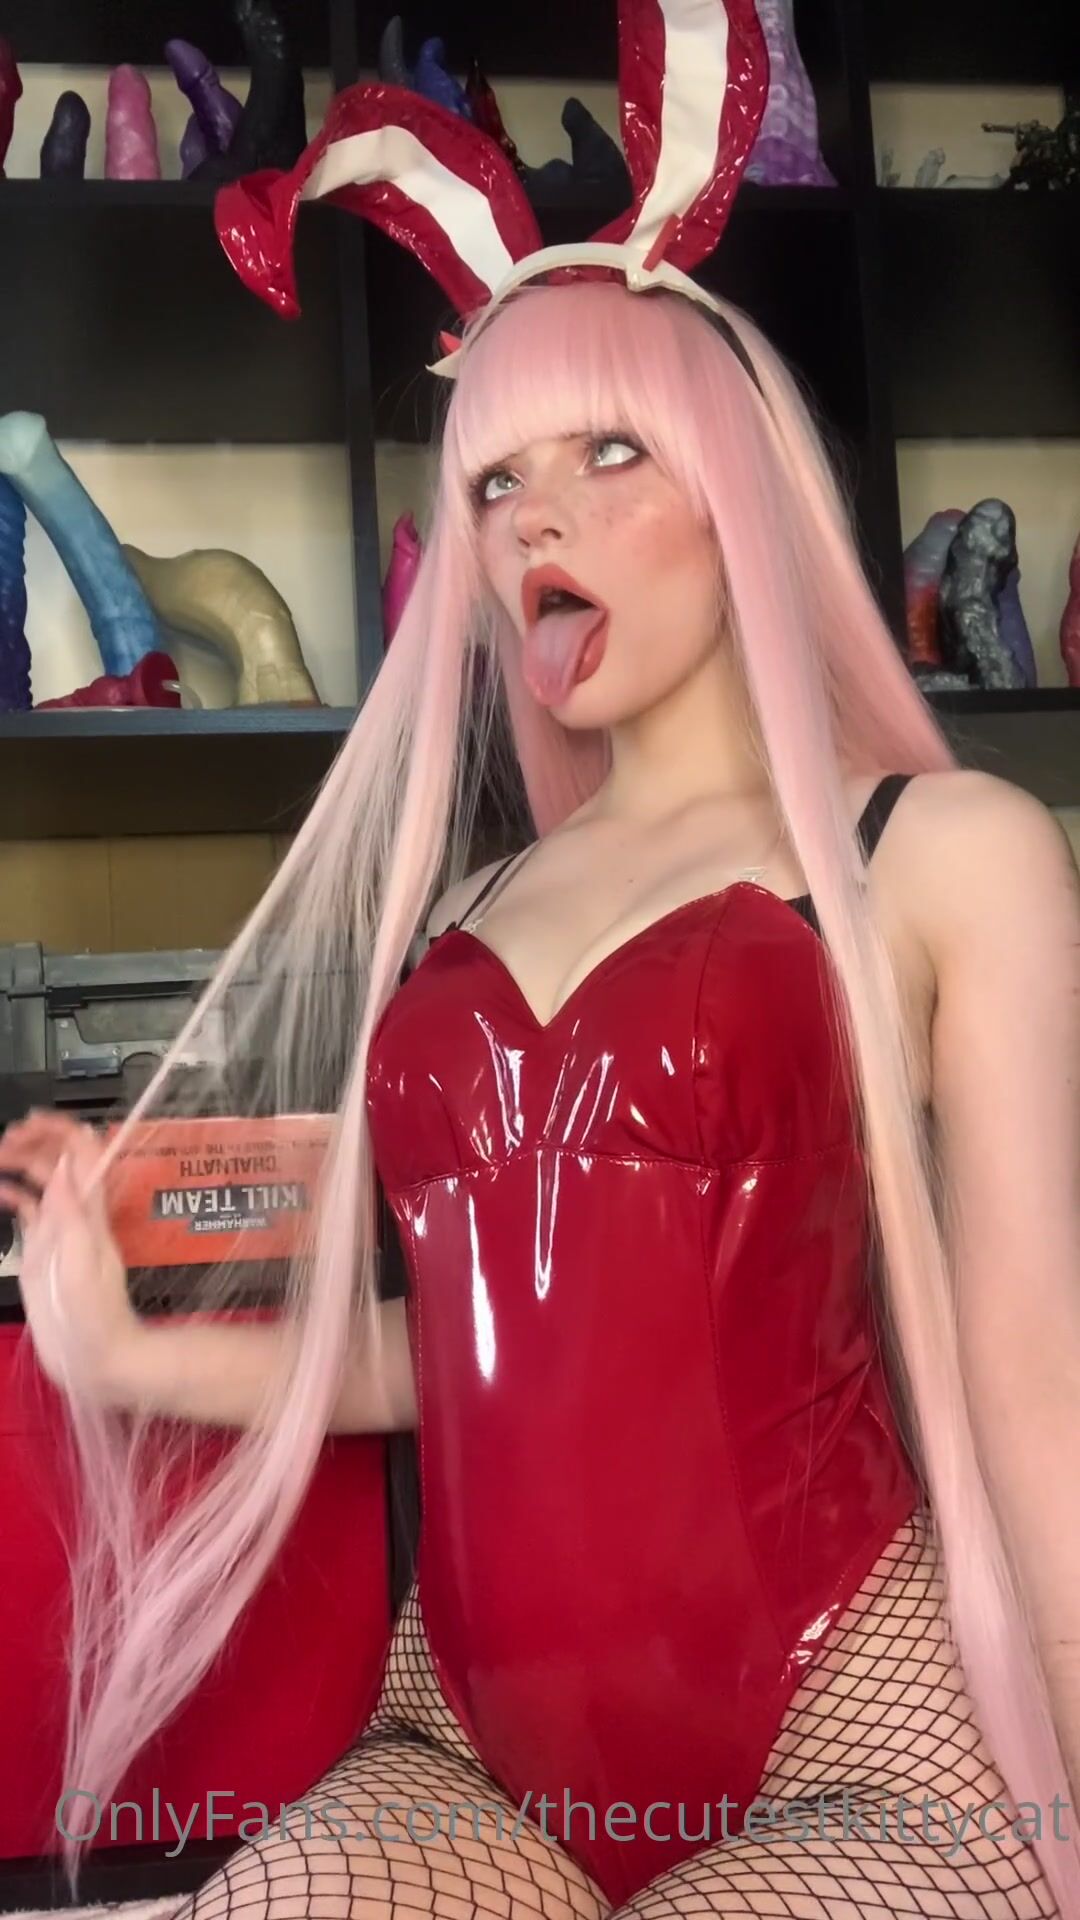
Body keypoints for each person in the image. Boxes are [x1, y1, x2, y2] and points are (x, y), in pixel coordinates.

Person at [2, 7, 1080, 1916]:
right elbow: (474, 1344)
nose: (535, 524)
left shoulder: (944, 851)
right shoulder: (463, 913)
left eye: (609, 453)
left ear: (742, 489)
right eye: (494, 482)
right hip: (472, 1745)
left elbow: (1033, 1376)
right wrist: (119, 1343)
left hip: (854, 1734)